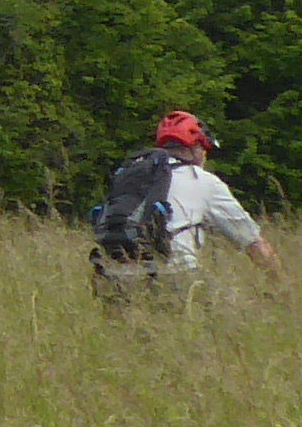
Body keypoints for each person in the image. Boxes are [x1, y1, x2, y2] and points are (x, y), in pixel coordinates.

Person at [91, 109, 277, 296]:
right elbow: (254, 244)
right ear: (195, 147)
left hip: (115, 278)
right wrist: (282, 285)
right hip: (174, 277)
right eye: (204, 149)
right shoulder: (203, 181)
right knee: (234, 303)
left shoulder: (133, 176)